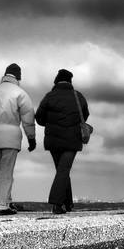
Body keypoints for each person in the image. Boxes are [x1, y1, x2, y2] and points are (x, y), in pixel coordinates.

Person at [0, 63, 36, 216]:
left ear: (5, 75)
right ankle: (2, 205)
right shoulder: (20, 93)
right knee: (6, 171)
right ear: (19, 77)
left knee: (2, 171)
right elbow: (28, 119)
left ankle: (7, 202)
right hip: (11, 136)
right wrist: (31, 138)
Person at [35, 68, 90, 214]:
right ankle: (57, 204)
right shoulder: (78, 97)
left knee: (62, 170)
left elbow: (39, 118)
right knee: (64, 170)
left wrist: (51, 123)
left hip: (53, 141)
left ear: (56, 81)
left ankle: (68, 203)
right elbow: (85, 115)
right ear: (70, 81)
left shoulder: (49, 96)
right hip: (72, 140)